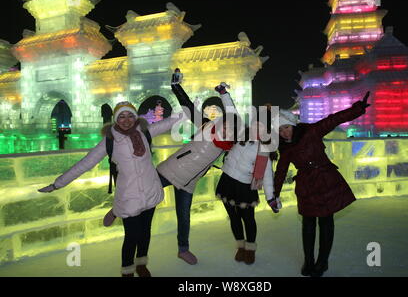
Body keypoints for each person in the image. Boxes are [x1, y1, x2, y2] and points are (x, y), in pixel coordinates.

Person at [103, 69, 239, 266]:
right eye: (225, 124)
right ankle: (117, 211)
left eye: (231, 129)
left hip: (189, 182)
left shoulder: (230, 147)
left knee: (184, 218)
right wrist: (177, 87)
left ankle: (183, 250)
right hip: (170, 169)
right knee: (137, 190)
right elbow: (188, 107)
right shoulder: (206, 125)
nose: (227, 129)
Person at [37, 101, 183, 277]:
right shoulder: (110, 141)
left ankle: (141, 264)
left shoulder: (145, 132)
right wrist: (57, 184)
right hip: (129, 197)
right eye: (121, 116)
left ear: (135, 117)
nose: (126, 120)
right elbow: (85, 163)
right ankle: (127, 270)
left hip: (151, 191)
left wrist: (190, 107)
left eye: (130, 115)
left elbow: (172, 120)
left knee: (145, 232)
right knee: (132, 237)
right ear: (115, 119)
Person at [273, 92, 371, 277]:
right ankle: (308, 261)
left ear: (293, 125)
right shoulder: (285, 148)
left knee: (326, 221)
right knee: (308, 224)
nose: (284, 132)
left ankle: (322, 261)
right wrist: (274, 194)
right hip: (306, 186)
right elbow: (280, 172)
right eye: (280, 130)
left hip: (325, 179)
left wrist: (357, 109)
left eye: (286, 127)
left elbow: (333, 120)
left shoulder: (311, 131)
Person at [216, 117, 281, 265]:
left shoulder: (265, 150)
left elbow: (267, 177)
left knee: (248, 219)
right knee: (233, 217)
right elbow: (231, 112)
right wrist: (224, 93)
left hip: (244, 188)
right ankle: (240, 246)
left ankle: (250, 248)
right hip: (227, 181)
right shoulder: (240, 137)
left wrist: (271, 198)